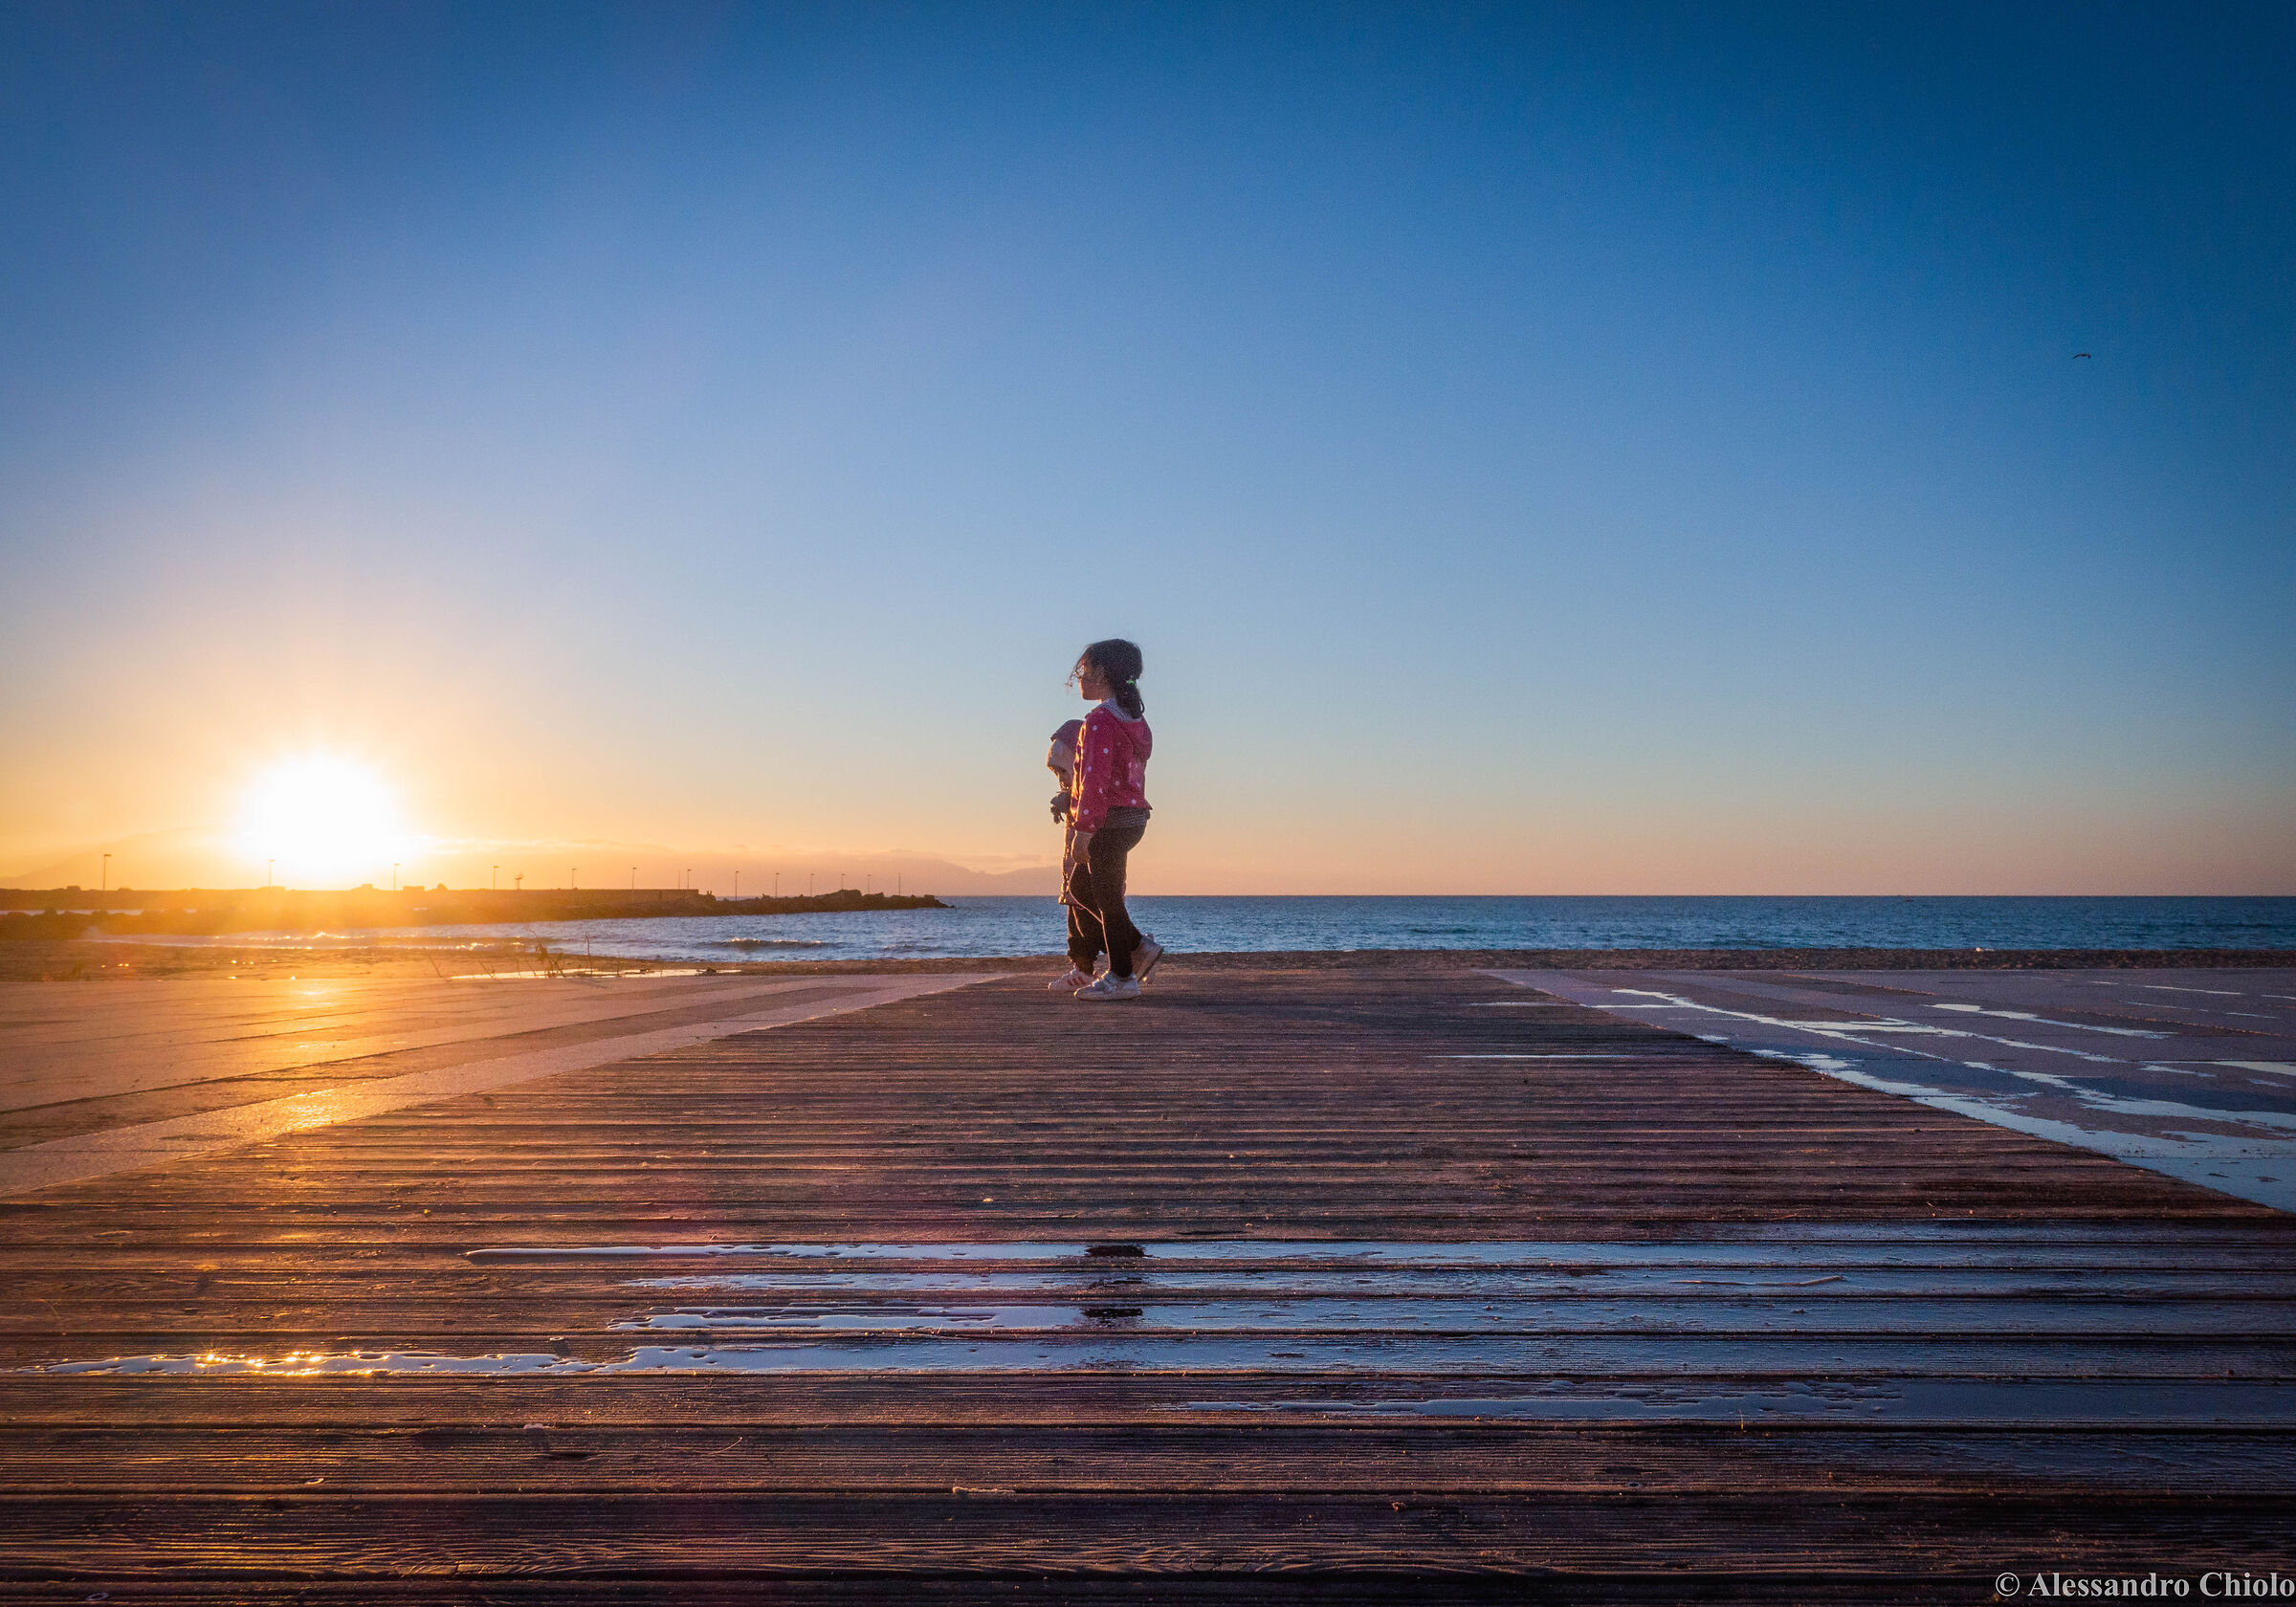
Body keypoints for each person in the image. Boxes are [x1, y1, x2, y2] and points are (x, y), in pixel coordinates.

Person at [1051, 638, 1161, 1000]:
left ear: (1101, 673)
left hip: (1108, 820)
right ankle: (1138, 947)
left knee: (1107, 898)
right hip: (1133, 818)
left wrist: (1084, 830)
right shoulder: (1134, 720)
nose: (1079, 678)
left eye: (1084, 670)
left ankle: (1122, 977)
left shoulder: (1100, 720)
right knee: (1084, 888)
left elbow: (1093, 780)